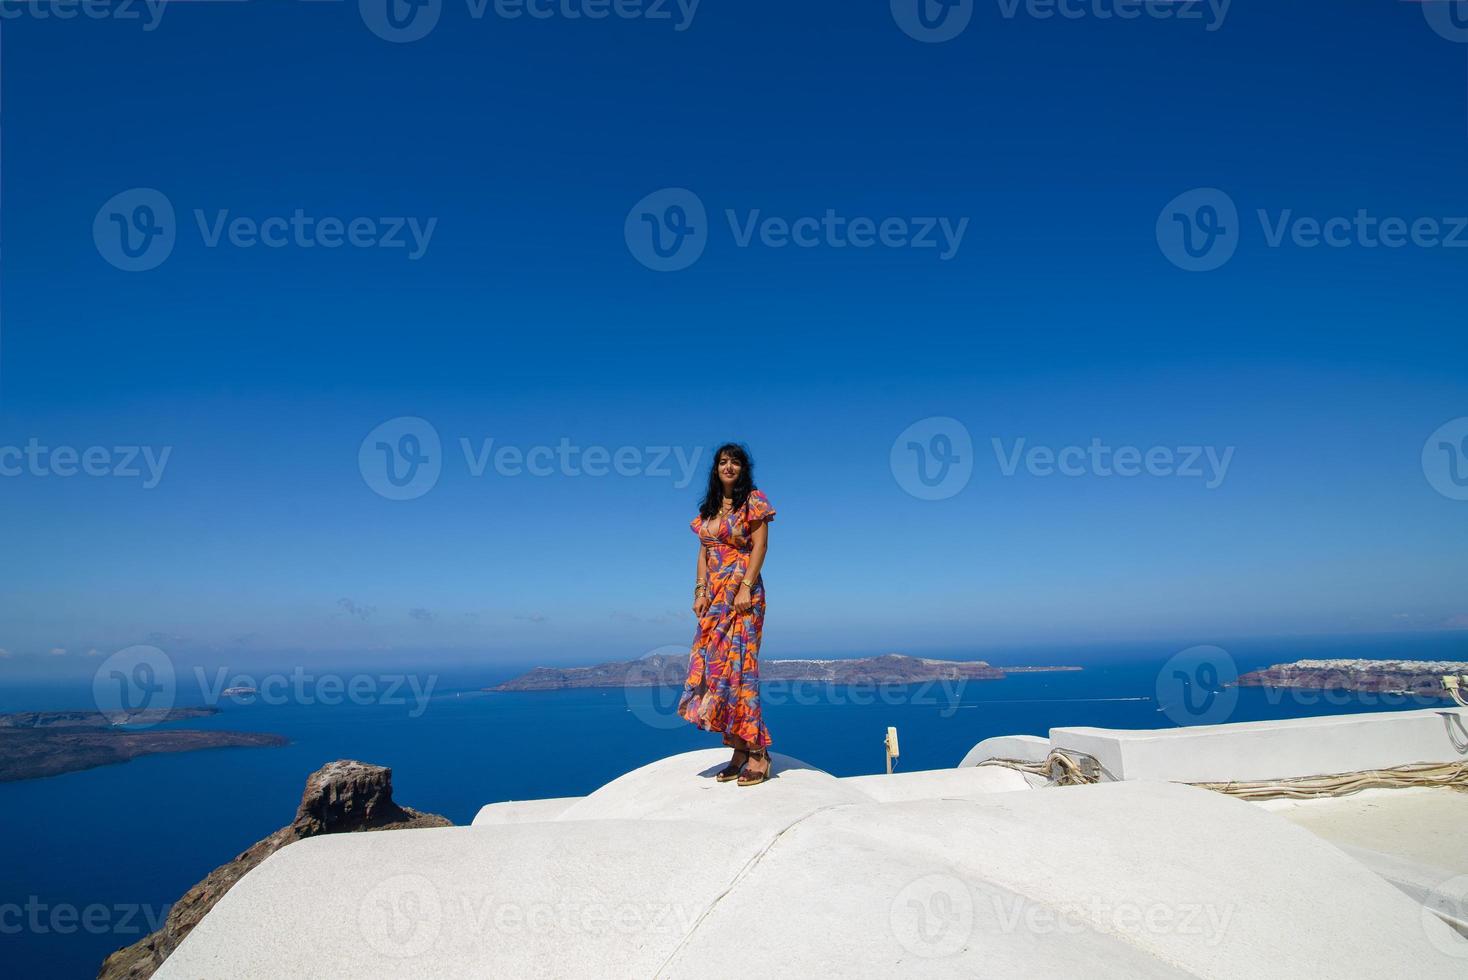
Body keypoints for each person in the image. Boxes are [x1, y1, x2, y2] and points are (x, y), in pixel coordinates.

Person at [677, 442, 776, 786]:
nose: (728, 467)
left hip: (743, 595)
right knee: (718, 671)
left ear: (743, 468)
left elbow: (761, 545)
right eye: (723, 462)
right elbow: (704, 553)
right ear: (716, 468)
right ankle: (737, 749)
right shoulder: (710, 509)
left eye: (735, 462)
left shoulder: (754, 501)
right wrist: (700, 592)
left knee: (741, 671)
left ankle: (758, 752)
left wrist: (746, 586)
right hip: (716, 598)